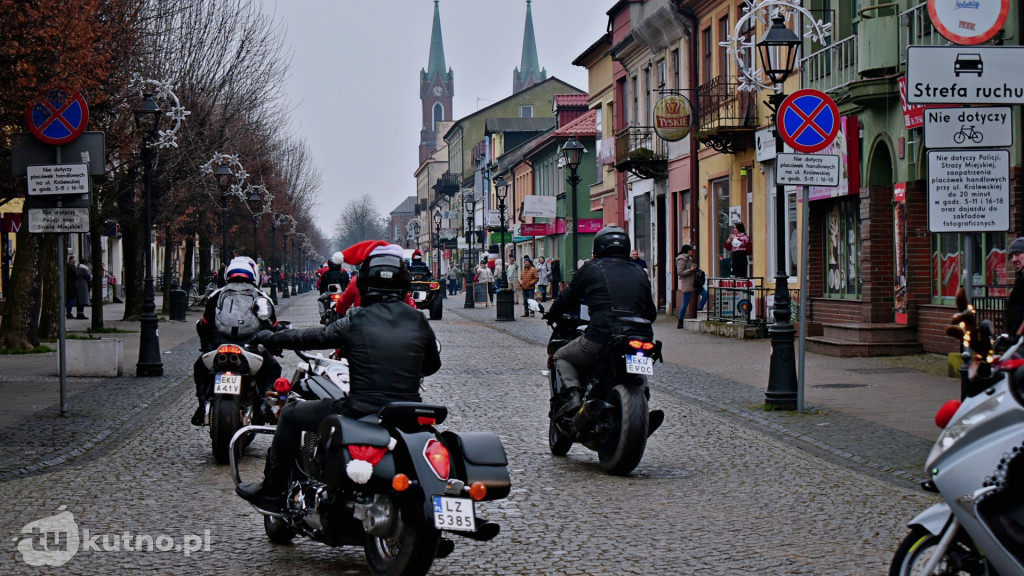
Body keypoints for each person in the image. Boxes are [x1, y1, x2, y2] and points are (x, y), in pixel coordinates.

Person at [236, 244, 441, 513]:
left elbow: (312, 337)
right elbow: (431, 365)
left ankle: (273, 491)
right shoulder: (418, 320)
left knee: (291, 414)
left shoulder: (358, 319)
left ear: (365, 281)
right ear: (404, 281)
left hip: (360, 410)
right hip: (407, 412)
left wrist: (270, 338)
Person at [544, 226, 657, 417]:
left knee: (561, 357)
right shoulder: (640, 272)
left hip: (602, 335)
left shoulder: (591, 268)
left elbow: (566, 298)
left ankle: (574, 396)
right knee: (636, 361)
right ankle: (643, 397)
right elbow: (651, 313)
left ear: (598, 247)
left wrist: (552, 315)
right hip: (640, 336)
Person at [191, 256, 283, 426]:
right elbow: (273, 327)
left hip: (219, 347)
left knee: (199, 367)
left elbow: (204, 325)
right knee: (273, 368)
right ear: (254, 274)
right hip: (251, 348)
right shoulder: (261, 297)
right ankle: (264, 406)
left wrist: (206, 346)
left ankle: (202, 405)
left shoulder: (216, 296)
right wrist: (276, 347)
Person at [675, 245, 707, 329]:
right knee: (685, 303)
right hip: (687, 283)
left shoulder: (689, 258)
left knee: (705, 294)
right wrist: (691, 270)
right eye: (691, 250)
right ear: (688, 251)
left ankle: (699, 310)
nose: (692, 251)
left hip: (695, 283)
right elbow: (680, 272)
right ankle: (680, 321)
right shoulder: (682, 259)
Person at [1004, 237, 1024, 335]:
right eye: (1012, 256)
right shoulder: (1021, 276)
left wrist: (1018, 335)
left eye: (1018, 254)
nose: (1014, 259)